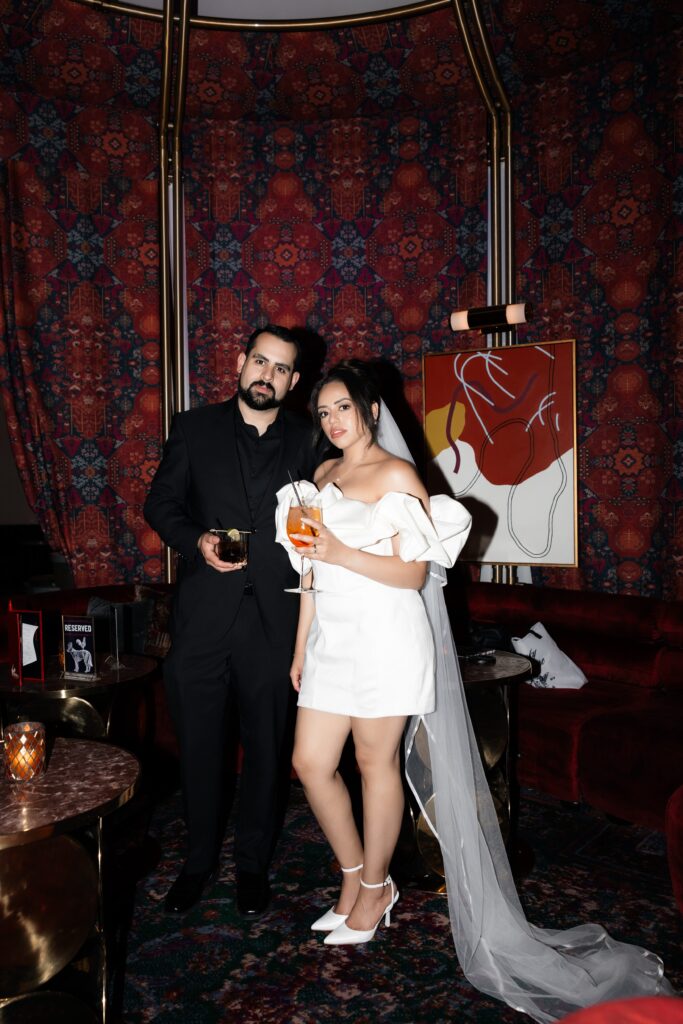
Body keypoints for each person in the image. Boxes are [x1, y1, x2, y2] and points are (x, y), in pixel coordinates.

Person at [275, 360, 673, 1019]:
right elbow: (310, 571)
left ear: (371, 411)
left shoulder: (398, 477)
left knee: (376, 765)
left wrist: (340, 551)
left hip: (385, 639)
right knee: (310, 764)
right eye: (323, 413)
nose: (334, 421)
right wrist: (298, 645)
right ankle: (353, 876)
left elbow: (409, 577)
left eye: (343, 407)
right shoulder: (320, 477)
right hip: (329, 643)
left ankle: (373, 891)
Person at [144, 324, 318, 917]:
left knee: (267, 752)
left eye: (280, 369)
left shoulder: (311, 438)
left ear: (293, 382)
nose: (266, 375)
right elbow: (160, 503)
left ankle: (251, 867)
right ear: (241, 363)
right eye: (260, 362)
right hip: (202, 621)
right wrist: (196, 541)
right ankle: (196, 864)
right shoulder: (194, 428)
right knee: (199, 748)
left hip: (276, 623)